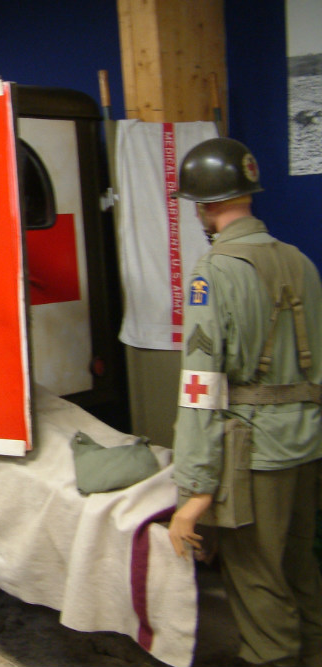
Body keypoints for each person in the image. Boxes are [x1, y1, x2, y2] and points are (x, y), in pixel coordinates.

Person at [167, 137, 322, 667]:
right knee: (301, 572)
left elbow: (200, 386)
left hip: (256, 456)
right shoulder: (301, 262)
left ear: (206, 206)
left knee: (258, 585)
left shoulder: (214, 272)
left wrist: (194, 491)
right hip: (308, 445)